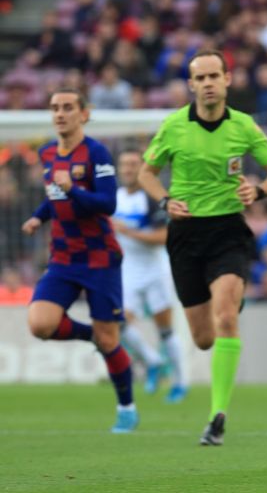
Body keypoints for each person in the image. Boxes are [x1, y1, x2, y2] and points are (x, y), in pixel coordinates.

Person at [138, 50, 267, 445]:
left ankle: (217, 417)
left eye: (214, 76)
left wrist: (258, 190)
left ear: (227, 79)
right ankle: (227, 299)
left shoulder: (243, 126)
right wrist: (163, 201)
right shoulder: (174, 126)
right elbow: (146, 172)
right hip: (186, 234)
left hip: (228, 230)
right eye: (200, 77)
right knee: (204, 338)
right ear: (191, 84)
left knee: (227, 316)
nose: (208, 83)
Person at [21, 89, 138, 433]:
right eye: (55, 107)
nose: (60, 113)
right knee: (40, 324)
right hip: (63, 256)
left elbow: (107, 203)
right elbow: (53, 196)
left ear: (83, 114)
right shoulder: (46, 153)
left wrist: (72, 188)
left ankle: (127, 408)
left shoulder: (96, 152)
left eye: (68, 107)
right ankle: (98, 337)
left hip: (100, 256)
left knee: (109, 341)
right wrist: (38, 217)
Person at [111, 148, 187, 403]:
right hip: (128, 269)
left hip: (155, 269)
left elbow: (163, 237)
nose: (128, 169)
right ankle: (152, 360)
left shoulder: (151, 198)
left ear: (142, 168)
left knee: (165, 329)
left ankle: (180, 383)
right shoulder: (114, 198)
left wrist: (129, 232)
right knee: (118, 323)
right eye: (124, 164)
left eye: (133, 164)